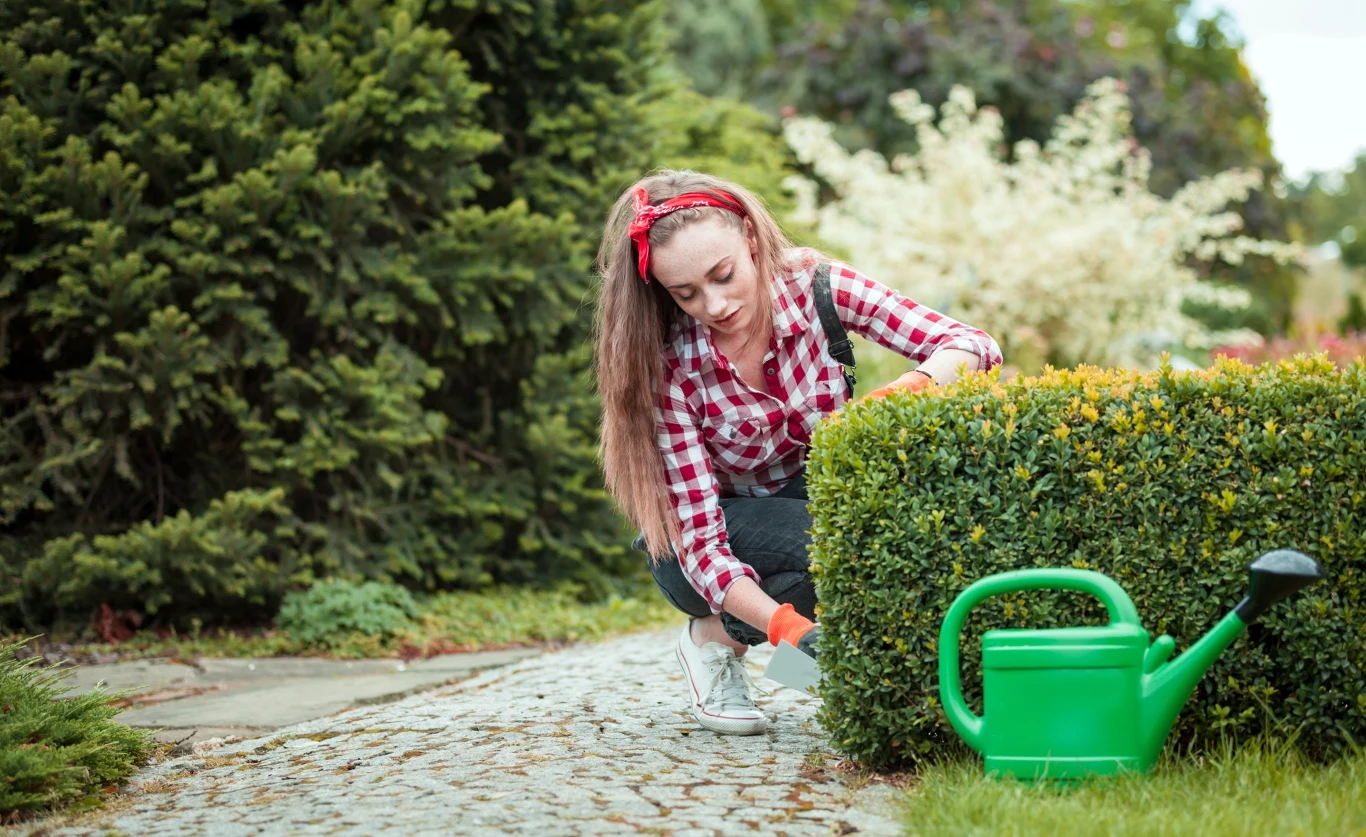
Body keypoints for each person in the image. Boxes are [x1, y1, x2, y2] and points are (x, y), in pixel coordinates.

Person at [592, 170, 1002, 735]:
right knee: (831, 542)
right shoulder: (671, 366)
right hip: (697, 550)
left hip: (806, 508)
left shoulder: (815, 286)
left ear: (752, 244)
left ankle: (825, 681)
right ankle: (710, 640)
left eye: (724, 275)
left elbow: (973, 346)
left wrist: (891, 397)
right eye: (686, 294)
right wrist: (791, 630)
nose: (713, 303)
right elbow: (704, 549)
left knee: (873, 535)